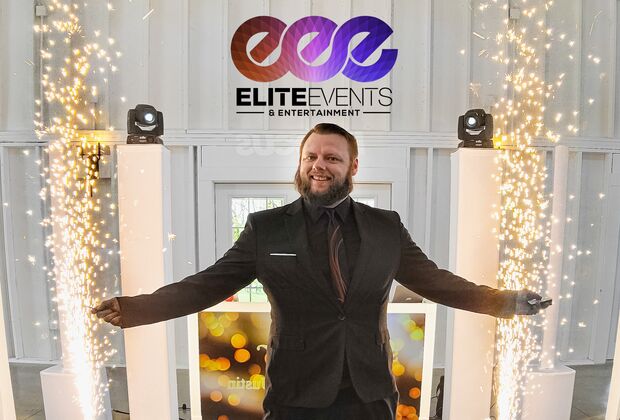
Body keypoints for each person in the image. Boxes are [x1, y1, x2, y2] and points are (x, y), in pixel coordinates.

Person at [93, 122, 551, 419]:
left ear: (353, 166)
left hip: (370, 390)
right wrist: (135, 309)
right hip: (297, 390)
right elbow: (207, 285)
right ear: (300, 164)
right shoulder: (266, 228)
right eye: (311, 156)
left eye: (332, 157)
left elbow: (436, 281)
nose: (319, 165)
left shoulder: (386, 226)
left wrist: (505, 301)